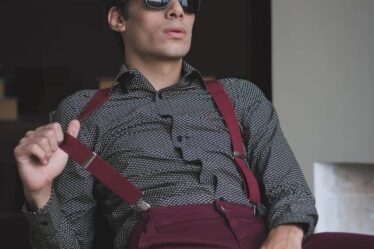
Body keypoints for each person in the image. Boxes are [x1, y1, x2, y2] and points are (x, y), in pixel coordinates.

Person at [14, 1, 371, 249]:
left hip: (267, 237)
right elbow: (70, 244)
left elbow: (290, 190)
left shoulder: (240, 96)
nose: (177, 9)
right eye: (157, 0)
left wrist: (287, 234)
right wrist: (39, 195)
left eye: (187, 1)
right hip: (169, 235)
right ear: (117, 18)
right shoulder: (83, 111)